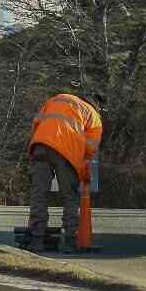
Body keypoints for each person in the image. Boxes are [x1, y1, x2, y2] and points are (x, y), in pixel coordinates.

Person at [25, 91, 104, 253]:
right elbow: (90, 148)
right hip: (67, 153)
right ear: (97, 105)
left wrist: (33, 151)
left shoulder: (57, 98)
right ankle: (69, 241)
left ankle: (36, 239)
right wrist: (82, 167)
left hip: (41, 146)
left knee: (39, 193)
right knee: (69, 195)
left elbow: (36, 124)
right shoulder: (93, 115)